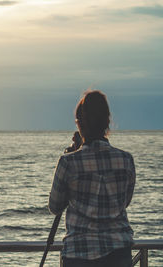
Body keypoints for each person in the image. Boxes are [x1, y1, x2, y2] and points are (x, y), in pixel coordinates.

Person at [48, 90, 136, 267]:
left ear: (80, 124)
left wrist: (75, 151)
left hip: (79, 253)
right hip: (119, 251)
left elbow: (55, 206)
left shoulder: (69, 162)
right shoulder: (125, 160)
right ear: (107, 121)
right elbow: (123, 202)